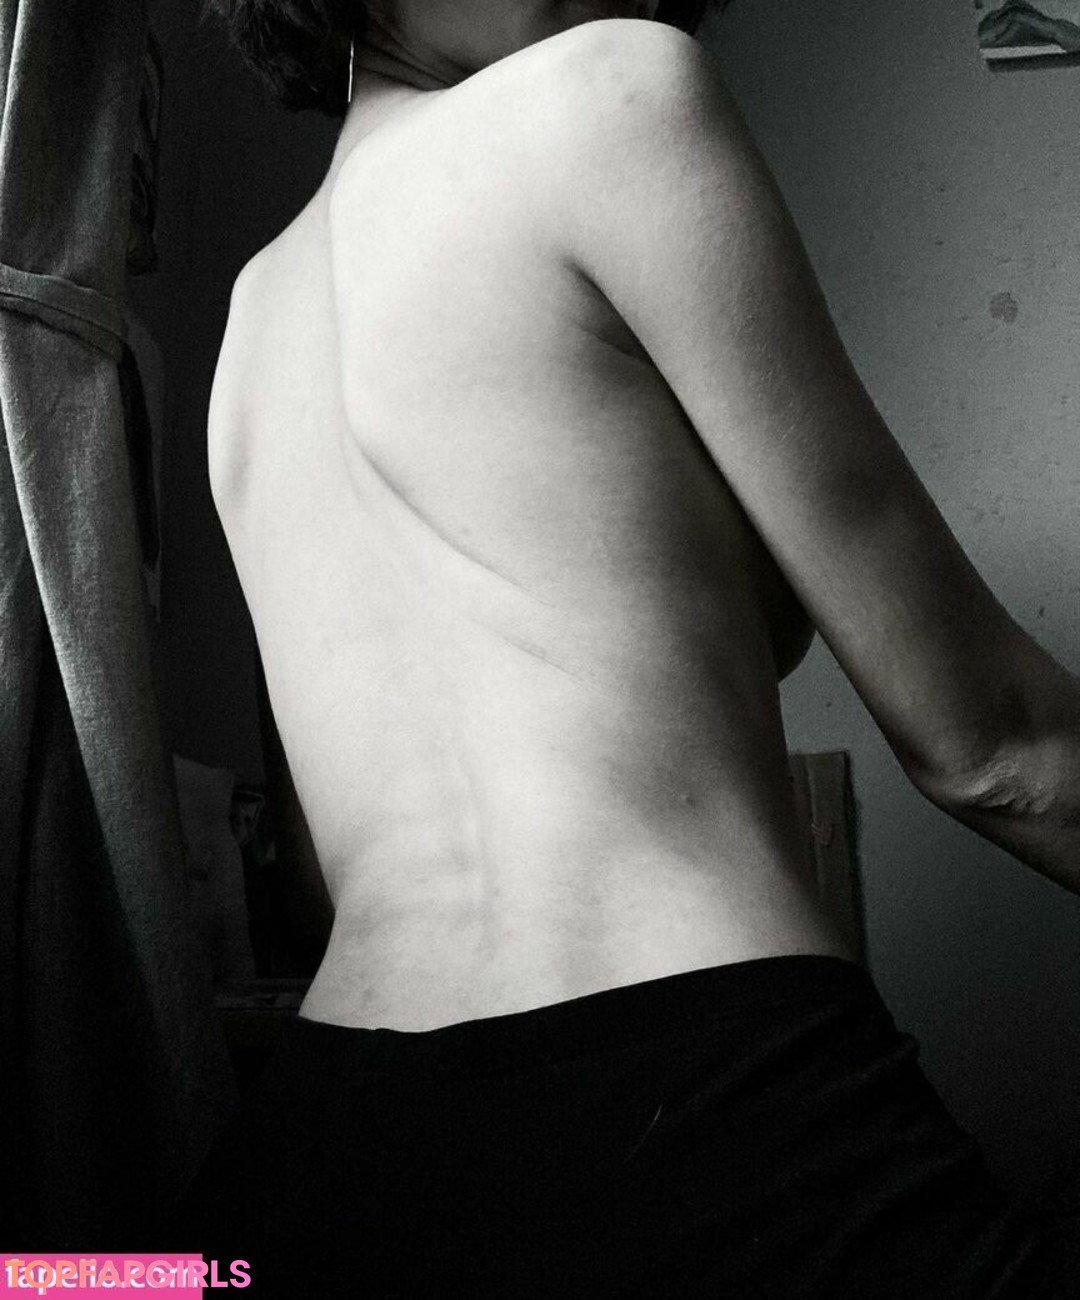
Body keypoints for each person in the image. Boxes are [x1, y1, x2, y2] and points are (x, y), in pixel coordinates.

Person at [177, 0, 1080, 1293]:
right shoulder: (608, 97)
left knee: (56, 1277)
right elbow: (998, 745)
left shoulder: (247, 323)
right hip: (701, 1108)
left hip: (318, 1160)